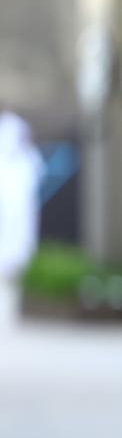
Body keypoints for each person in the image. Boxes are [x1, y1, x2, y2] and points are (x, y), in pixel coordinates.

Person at [0, 110, 41, 338]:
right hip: (4, 226)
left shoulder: (26, 162)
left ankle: (13, 314)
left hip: (20, 226)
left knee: (15, 270)